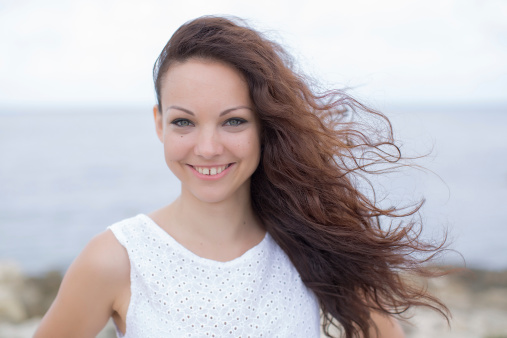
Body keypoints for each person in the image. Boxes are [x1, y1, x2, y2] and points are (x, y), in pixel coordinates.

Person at [35, 16, 448, 338]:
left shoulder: (312, 239)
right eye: (184, 122)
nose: (208, 147)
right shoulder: (116, 259)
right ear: (159, 123)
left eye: (233, 121)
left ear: (264, 125)